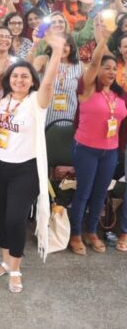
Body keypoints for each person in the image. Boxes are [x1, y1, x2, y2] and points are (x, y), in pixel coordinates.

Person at [0, 11, 63, 293]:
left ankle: (16, 269)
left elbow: (50, 81)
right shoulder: (1, 97)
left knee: (16, 218)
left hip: (25, 170)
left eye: (25, 76)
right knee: (3, 216)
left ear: (32, 80)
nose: (19, 79)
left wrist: (56, 52)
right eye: (15, 75)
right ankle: (5, 262)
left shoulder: (36, 102)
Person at [68, 13, 126, 255]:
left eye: (114, 68)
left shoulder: (119, 95)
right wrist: (104, 39)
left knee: (101, 193)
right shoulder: (86, 88)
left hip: (110, 152)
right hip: (86, 150)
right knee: (83, 192)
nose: (111, 71)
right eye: (106, 67)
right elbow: (92, 64)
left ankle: (92, 231)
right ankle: (75, 234)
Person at [32, 33, 82, 127]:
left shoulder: (79, 66)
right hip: (45, 115)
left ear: (71, 47)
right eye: (59, 45)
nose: (62, 48)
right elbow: (28, 72)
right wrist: (34, 45)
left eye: (66, 45)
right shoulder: (44, 61)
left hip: (68, 116)